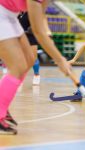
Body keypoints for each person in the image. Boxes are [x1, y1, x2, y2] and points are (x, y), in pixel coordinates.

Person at [0, 0, 72, 135]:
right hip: (2, 14)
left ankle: (2, 106)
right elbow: (38, 32)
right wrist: (60, 59)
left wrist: (47, 34)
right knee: (17, 67)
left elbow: (39, 21)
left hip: (11, 17)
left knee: (28, 61)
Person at [18, 12, 41, 85]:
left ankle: (36, 75)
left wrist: (27, 30)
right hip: (20, 37)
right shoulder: (18, 13)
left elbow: (35, 26)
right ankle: (20, 76)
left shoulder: (30, 12)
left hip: (31, 36)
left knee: (33, 57)